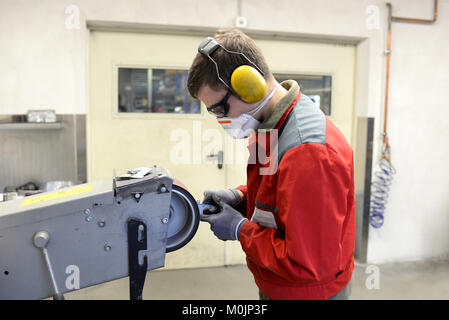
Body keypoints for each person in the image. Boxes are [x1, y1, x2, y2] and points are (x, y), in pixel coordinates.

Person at [187, 29, 355, 300]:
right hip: (277, 284)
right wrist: (241, 197)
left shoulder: (309, 152)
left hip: (306, 293)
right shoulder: (269, 127)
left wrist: (240, 230)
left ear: (249, 85)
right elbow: (279, 194)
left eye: (219, 109)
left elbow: (307, 264)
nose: (220, 120)